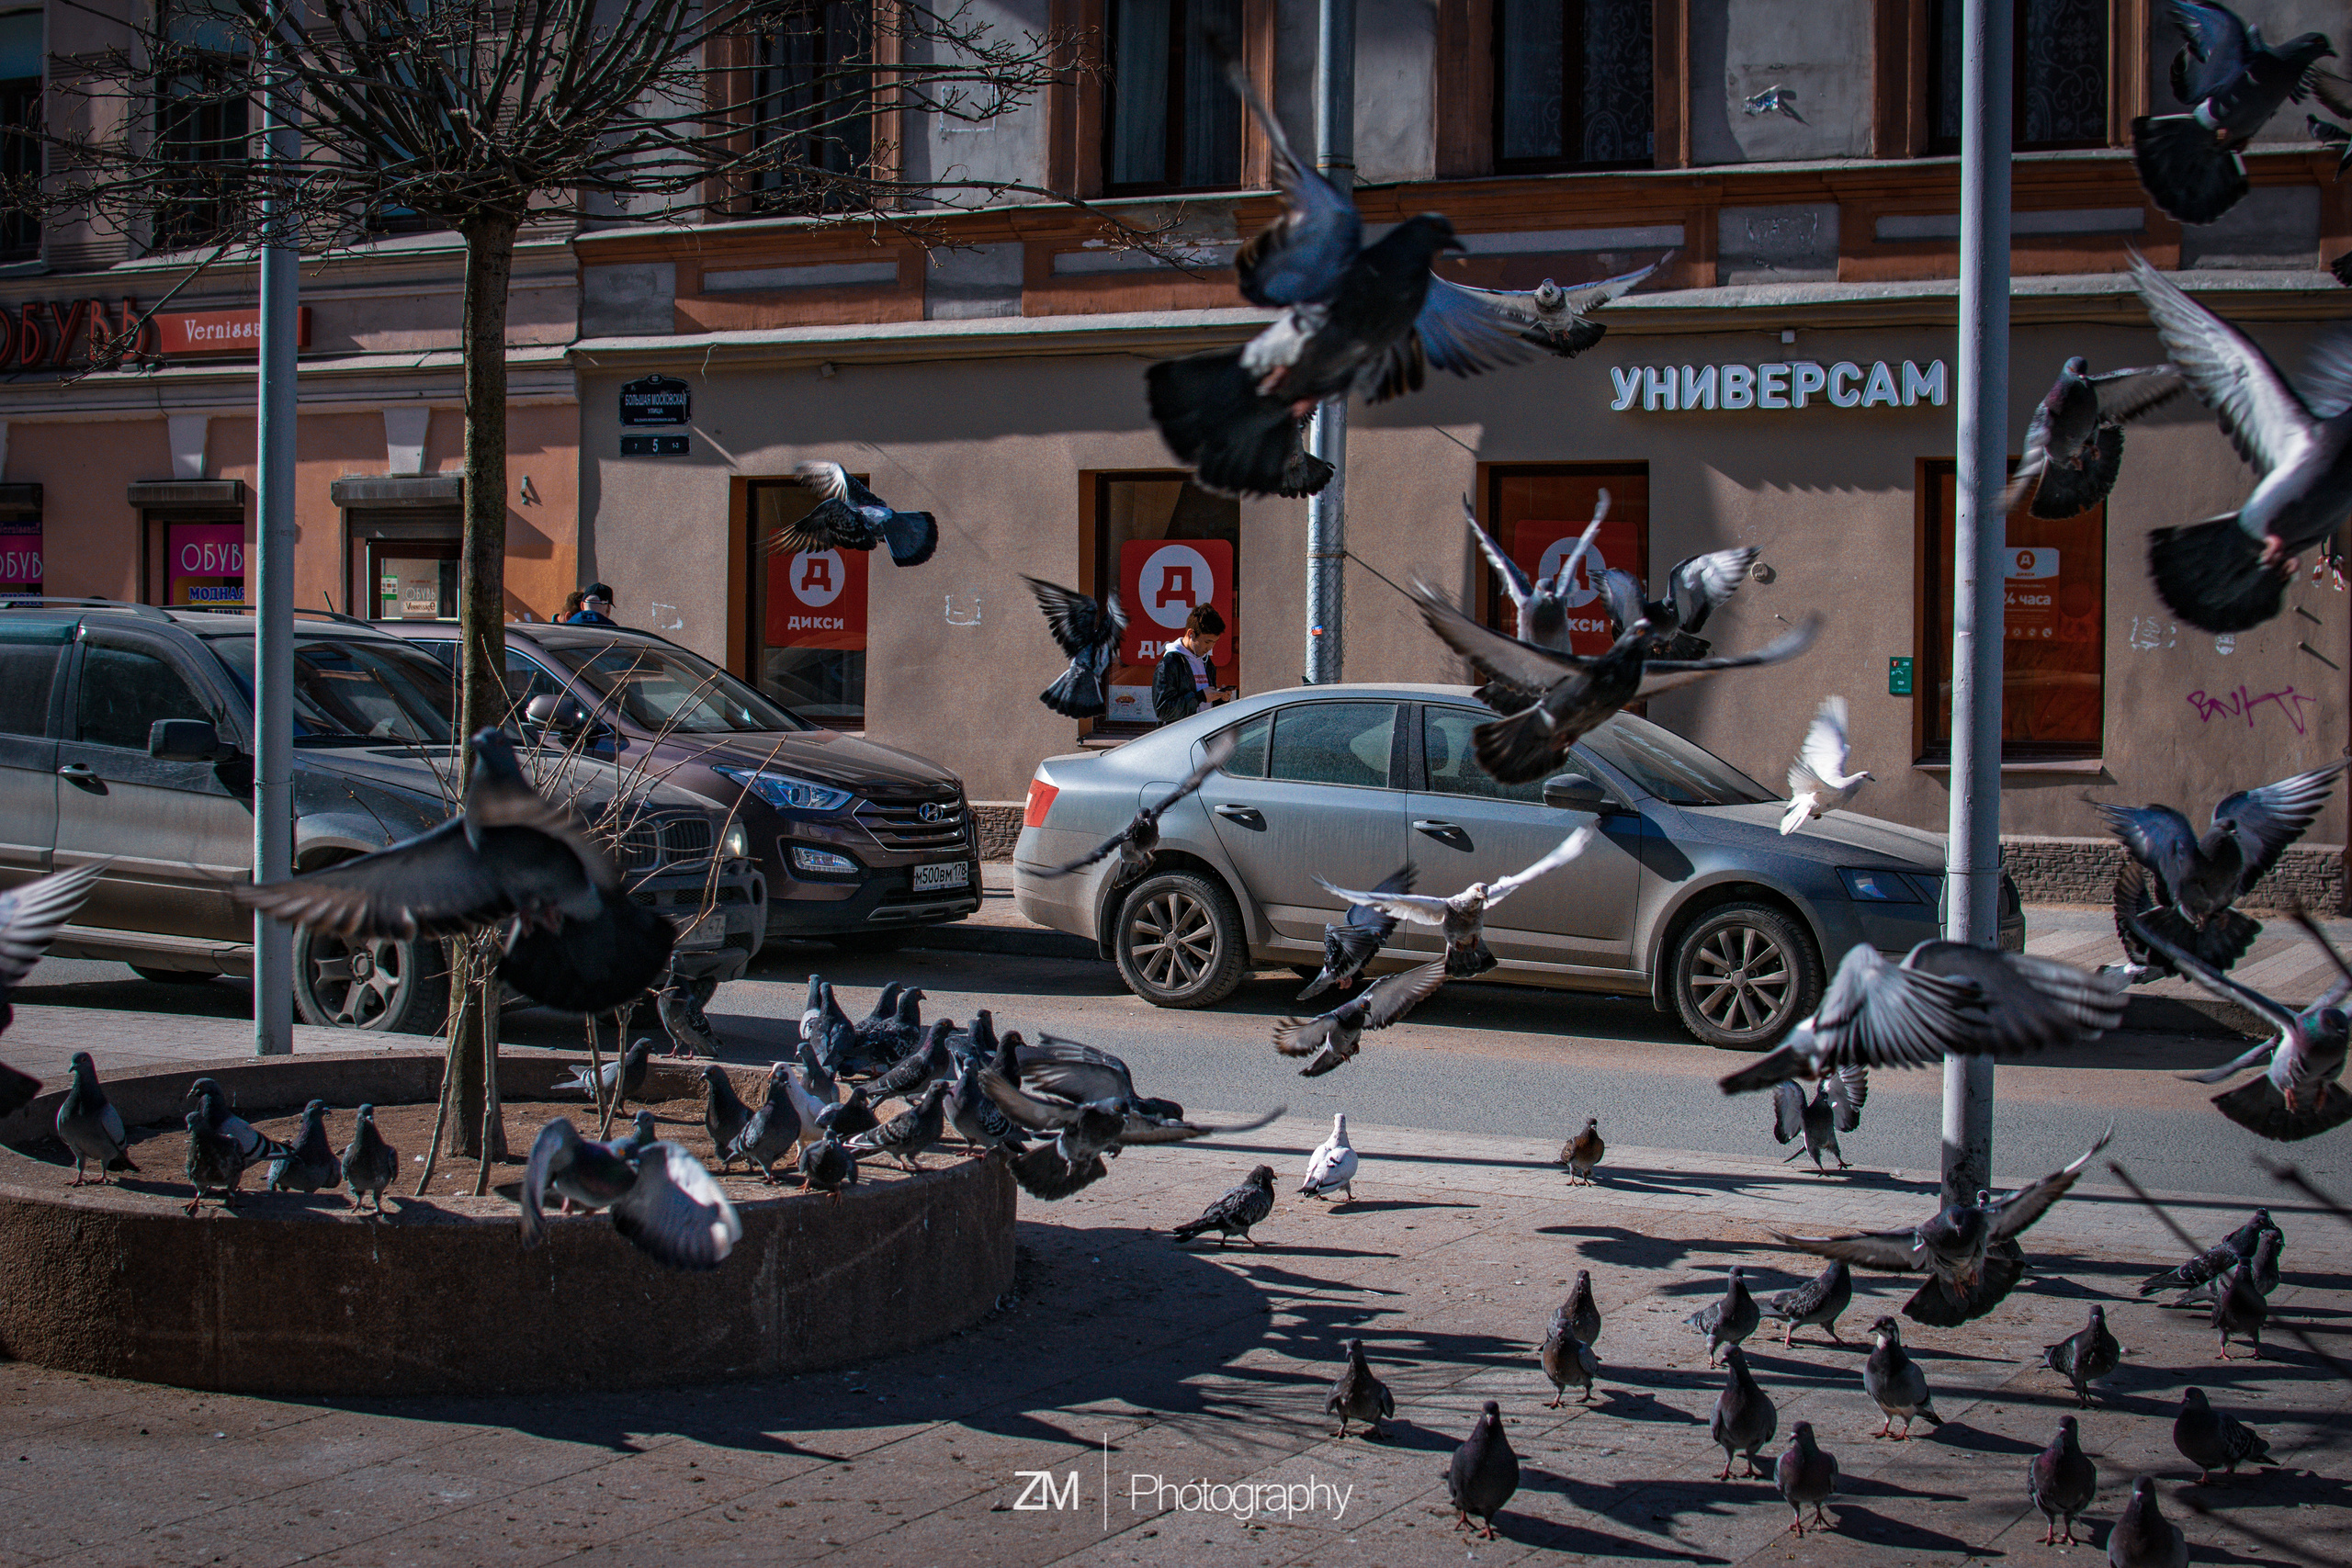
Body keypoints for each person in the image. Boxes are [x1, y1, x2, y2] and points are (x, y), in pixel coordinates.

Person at [1152, 604, 1236, 722]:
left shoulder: (1206, 661)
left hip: (1204, 733)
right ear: (1191, 633)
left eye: (1214, 642)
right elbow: (1163, 711)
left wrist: (1220, 698)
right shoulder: (1170, 663)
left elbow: (1206, 704)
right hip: (1181, 736)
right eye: (1207, 641)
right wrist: (1200, 697)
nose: (1210, 647)